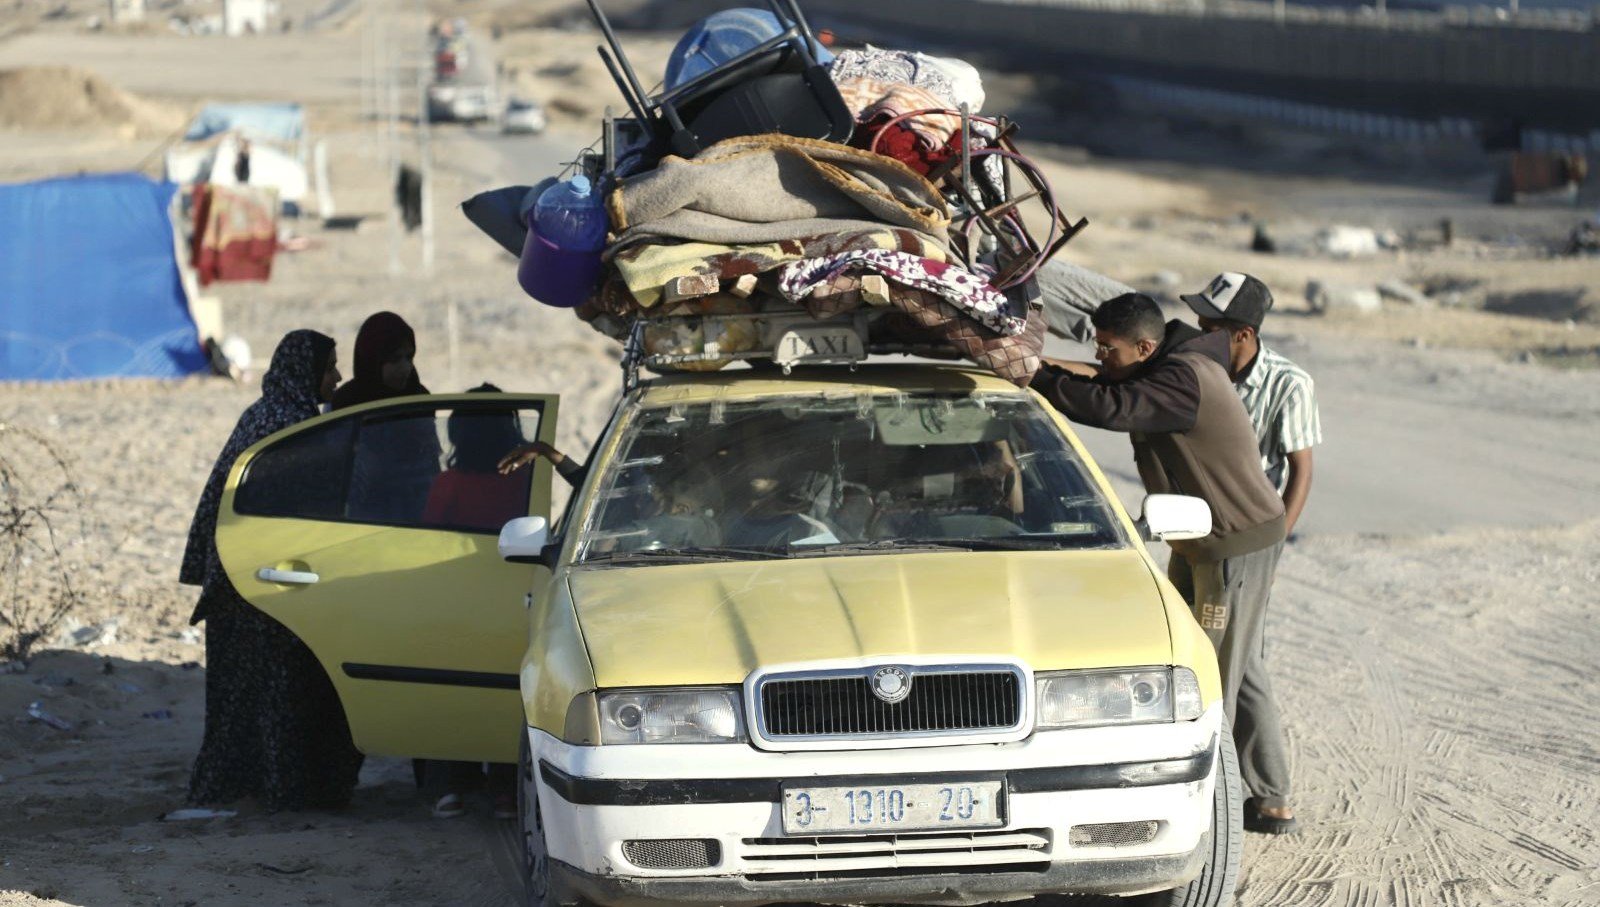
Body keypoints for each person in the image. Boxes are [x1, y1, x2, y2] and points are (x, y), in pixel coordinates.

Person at [1029, 292, 1297, 834]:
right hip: (1200, 538)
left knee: (1209, 676)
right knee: (1237, 667)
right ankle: (1272, 799)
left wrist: (1036, 378)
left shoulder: (1180, 380)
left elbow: (1110, 405)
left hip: (1233, 543)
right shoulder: (1167, 365)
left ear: (1145, 347)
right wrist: (1040, 367)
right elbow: (1107, 383)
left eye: (1109, 349)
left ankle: (1207, 812)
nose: (1102, 357)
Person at [181, 329, 365, 812]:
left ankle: (248, 784)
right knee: (278, 691)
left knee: (245, 695)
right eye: (329, 368)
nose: (338, 377)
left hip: (242, 578)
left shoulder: (267, 414)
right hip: (258, 583)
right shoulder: (292, 428)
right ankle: (283, 789)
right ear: (306, 373)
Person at [1181, 272, 1321, 539]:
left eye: (1209, 332)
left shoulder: (1290, 384)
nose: (1199, 338)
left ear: (1243, 335)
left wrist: (1275, 541)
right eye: (1200, 328)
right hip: (1197, 529)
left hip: (1248, 534)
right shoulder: (1198, 367)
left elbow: (1301, 470)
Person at [332, 312, 439, 524]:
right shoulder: (348, 402)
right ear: (373, 359)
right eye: (394, 359)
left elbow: (431, 459)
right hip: (365, 517)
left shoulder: (418, 397)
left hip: (419, 513)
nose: (405, 368)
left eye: (409, 357)